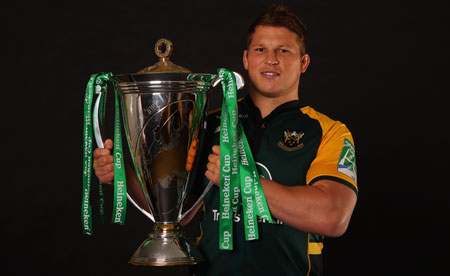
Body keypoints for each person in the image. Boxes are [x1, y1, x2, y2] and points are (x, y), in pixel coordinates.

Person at [93, 4, 358, 276]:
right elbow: (178, 213)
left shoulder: (328, 131)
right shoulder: (206, 123)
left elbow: (332, 217)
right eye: (260, 49)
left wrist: (241, 180)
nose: (271, 59)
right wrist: (124, 175)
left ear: (304, 63)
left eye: (284, 50)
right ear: (246, 59)